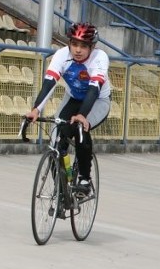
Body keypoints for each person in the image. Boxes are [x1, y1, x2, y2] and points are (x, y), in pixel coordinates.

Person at [25, 22, 111, 194]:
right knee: (56, 139)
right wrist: (36, 110)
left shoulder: (100, 58)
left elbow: (94, 90)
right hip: (72, 98)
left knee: (80, 128)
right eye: (74, 44)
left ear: (92, 47)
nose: (78, 50)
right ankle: (61, 186)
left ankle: (85, 179)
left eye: (83, 46)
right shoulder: (62, 55)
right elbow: (49, 83)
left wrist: (82, 115)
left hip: (97, 100)